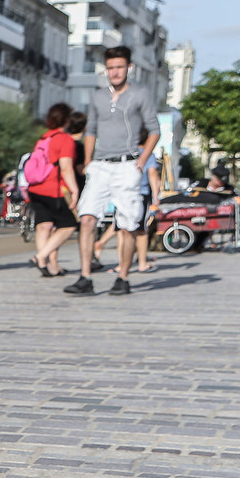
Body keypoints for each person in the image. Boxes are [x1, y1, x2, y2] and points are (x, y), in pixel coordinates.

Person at [65, 46, 159, 297]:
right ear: (105, 70)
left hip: (128, 164)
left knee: (127, 224)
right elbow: (91, 130)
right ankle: (85, 276)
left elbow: (154, 130)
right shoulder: (97, 96)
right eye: (110, 68)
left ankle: (123, 277)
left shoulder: (141, 94)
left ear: (129, 68)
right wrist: (87, 161)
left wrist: (142, 161)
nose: (115, 72)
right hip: (100, 165)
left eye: (119, 67)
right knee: (86, 218)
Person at [25, 102, 80, 277]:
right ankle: (41, 257)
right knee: (69, 225)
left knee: (44, 226)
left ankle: (47, 266)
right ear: (66, 119)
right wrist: (74, 189)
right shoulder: (65, 139)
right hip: (53, 190)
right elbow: (66, 168)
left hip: (34, 188)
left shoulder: (43, 138)